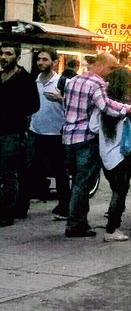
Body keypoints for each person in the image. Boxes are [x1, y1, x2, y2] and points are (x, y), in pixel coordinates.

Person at [61, 53, 131, 238]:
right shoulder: (96, 83)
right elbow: (105, 106)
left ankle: (78, 221)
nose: (111, 72)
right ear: (101, 64)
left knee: (77, 181)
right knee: (83, 182)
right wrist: (129, 109)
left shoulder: (73, 80)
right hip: (86, 137)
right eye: (111, 67)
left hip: (68, 136)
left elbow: (66, 107)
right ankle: (75, 223)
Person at [95, 66, 131, 242]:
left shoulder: (102, 102)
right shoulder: (130, 101)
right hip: (124, 153)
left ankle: (114, 222)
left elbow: (93, 127)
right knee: (120, 191)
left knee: (116, 189)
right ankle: (112, 228)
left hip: (106, 154)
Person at [28, 48, 70, 217]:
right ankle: (22, 204)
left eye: (45, 59)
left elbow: (74, 106)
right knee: (30, 169)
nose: (41, 62)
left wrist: (61, 99)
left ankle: (65, 205)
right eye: (39, 59)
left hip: (56, 134)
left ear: (54, 62)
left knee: (60, 171)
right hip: (35, 131)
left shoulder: (63, 82)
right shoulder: (34, 81)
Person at [0, 41, 39, 225]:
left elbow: (34, 105)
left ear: (16, 56)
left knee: (9, 172)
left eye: (8, 54)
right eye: (2, 54)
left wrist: (14, 111)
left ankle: (8, 211)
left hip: (13, 132)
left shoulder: (25, 78)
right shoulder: (1, 76)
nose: (3, 57)